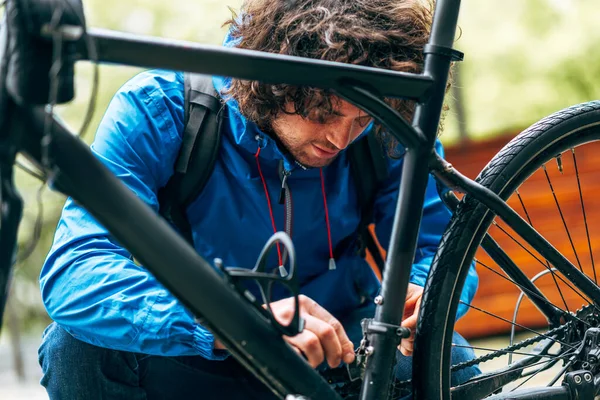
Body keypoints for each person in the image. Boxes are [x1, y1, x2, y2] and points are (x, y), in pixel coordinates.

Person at [37, 0, 480, 398]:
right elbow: (76, 270)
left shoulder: (386, 129)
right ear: (272, 84)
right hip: (208, 349)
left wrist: (429, 291)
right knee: (75, 349)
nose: (341, 138)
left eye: (362, 118)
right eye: (323, 111)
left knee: (451, 362)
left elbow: (439, 244)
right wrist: (234, 324)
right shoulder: (161, 109)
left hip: (343, 345)